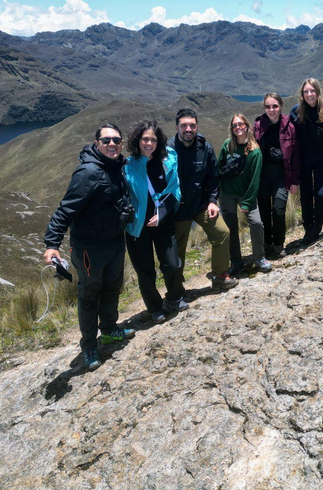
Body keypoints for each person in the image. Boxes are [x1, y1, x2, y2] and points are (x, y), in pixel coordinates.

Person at [44, 123, 136, 371]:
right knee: (89, 296)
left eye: (116, 140)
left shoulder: (117, 166)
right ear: (97, 143)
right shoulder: (88, 173)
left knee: (112, 289)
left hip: (114, 242)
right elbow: (66, 209)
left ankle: (109, 330)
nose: (112, 144)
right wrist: (52, 244)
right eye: (106, 140)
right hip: (89, 249)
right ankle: (89, 346)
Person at [123, 120, 188, 322]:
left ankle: (174, 298)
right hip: (138, 227)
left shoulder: (168, 159)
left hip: (163, 222)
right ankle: (155, 307)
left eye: (153, 139)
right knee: (145, 270)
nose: (149, 143)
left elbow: (174, 191)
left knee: (172, 263)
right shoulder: (127, 167)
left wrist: (161, 214)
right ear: (137, 140)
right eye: (145, 139)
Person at [169, 108, 238, 289]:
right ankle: (176, 288)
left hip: (200, 205)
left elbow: (213, 177)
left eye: (192, 125)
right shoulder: (168, 150)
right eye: (184, 125)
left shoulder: (204, 147)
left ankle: (220, 276)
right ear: (177, 127)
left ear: (197, 126)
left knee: (222, 232)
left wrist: (212, 201)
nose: (188, 129)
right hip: (177, 209)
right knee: (177, 250)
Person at [218, 114, 272, 274]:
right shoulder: (228, 145)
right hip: (226, 194)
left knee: (256, 223)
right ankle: (236, 261)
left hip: (245, 194)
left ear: (247, 126)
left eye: (241, 124)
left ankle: (259, 258)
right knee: (230, 227)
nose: (238, 128)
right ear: (232, 129)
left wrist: (247, 202)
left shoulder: (255, 152)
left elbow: (255, 180)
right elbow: (219, 167)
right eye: (235, 125)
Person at [289, 78, 323, 244]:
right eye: (306, 92)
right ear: (302, 94)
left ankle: (318, 222)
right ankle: (308, 227)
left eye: (312, 91)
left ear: (318, 92)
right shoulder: (296, 111)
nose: (309, 94)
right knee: (305, 195)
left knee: (320, 193)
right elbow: (288, 135)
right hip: (304, 159)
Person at [253, 93, 300, 258]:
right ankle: (267, 245)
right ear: (264, 108)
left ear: (280, 106)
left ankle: (279, 244)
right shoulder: (258, 126)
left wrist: (295, 181)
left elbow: (295, 155)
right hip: (263, 176)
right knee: (264, 213)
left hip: (281, 175)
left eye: (274, 106)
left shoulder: (289, 126)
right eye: (268, 106)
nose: (271, 110)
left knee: (279, 211)